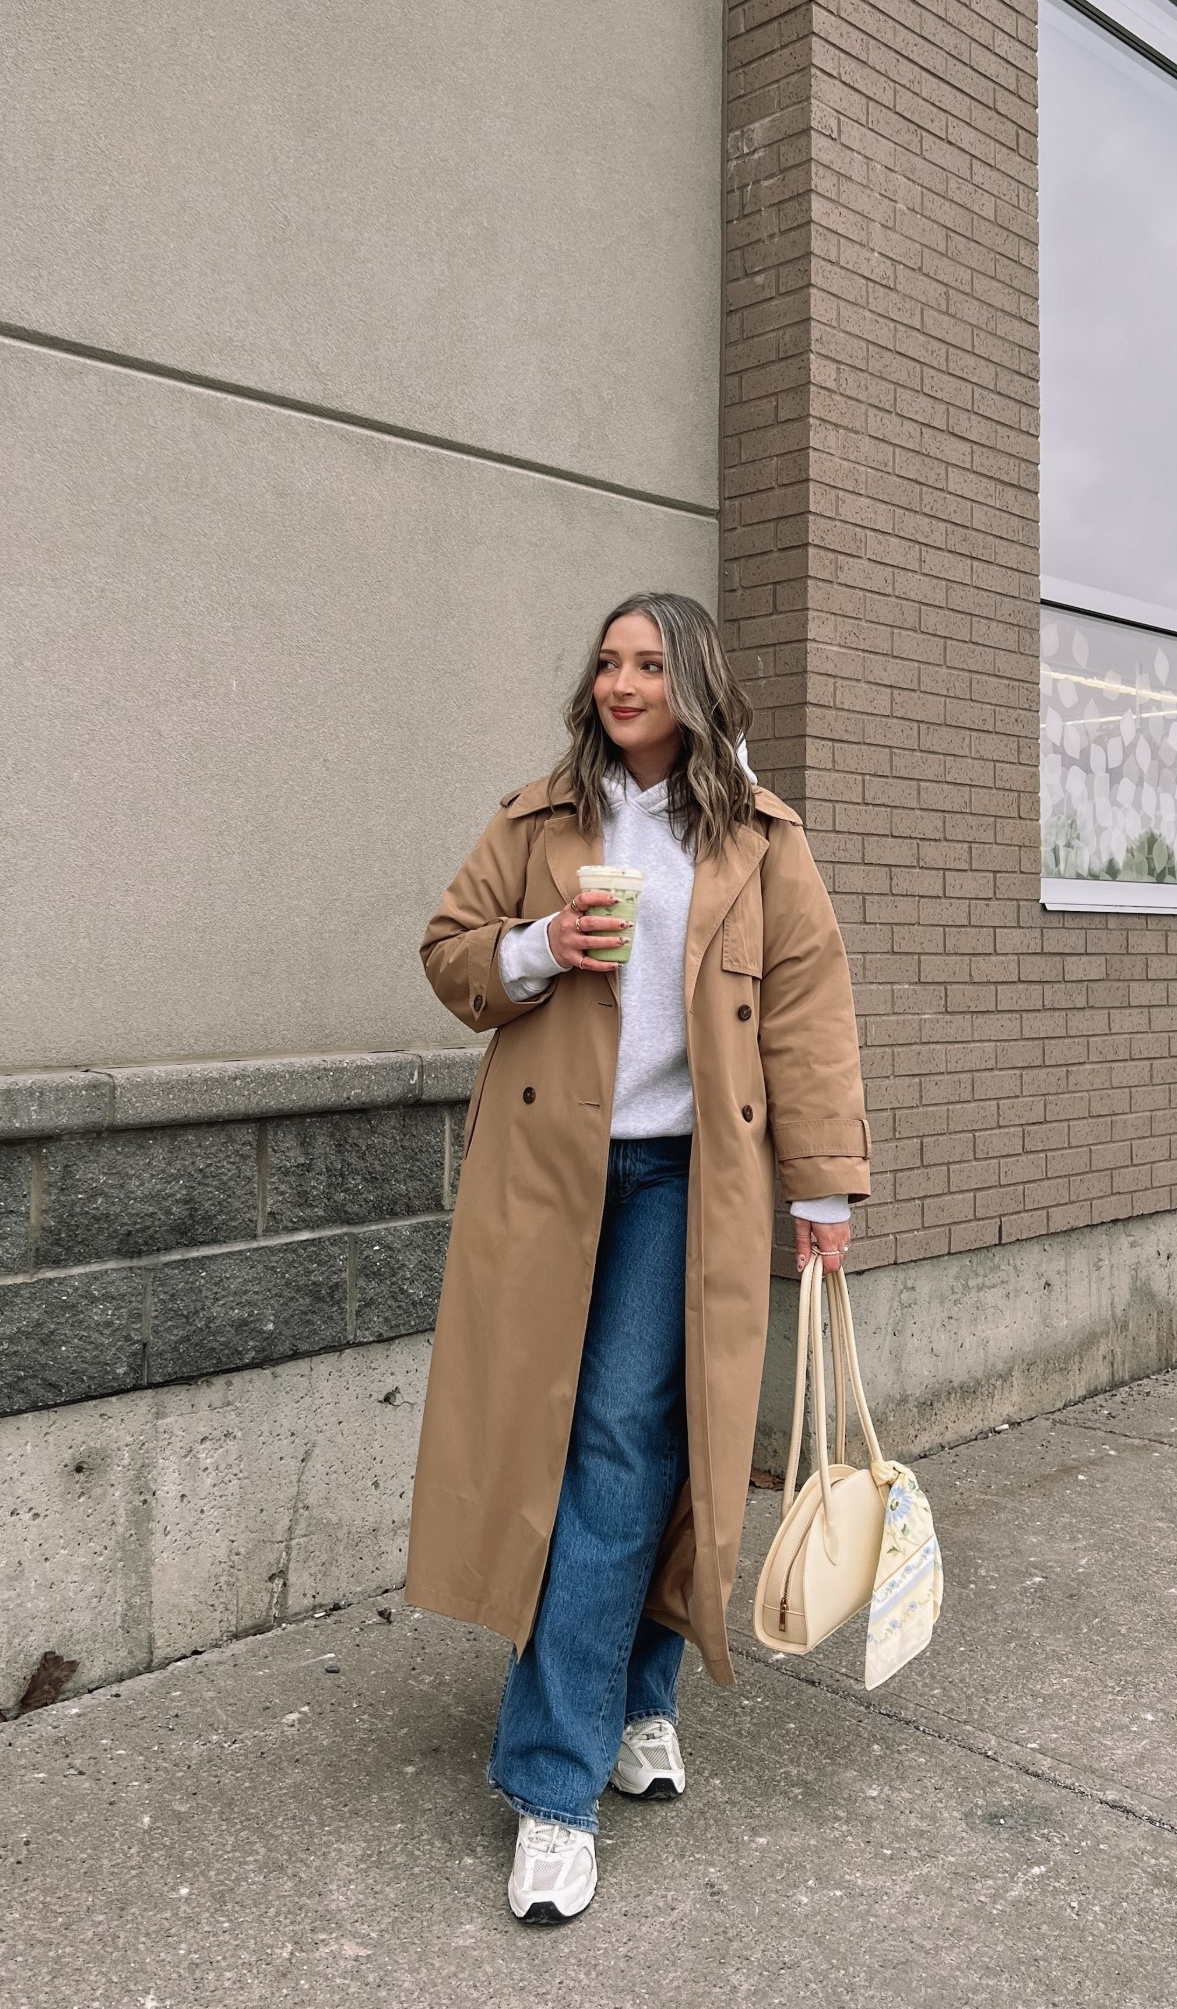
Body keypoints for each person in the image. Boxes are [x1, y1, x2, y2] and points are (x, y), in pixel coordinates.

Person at [406, 590, 871, 1923]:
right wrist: (540, 948)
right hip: (555, 1178)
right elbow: (450, 956)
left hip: (689, 1180)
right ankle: (618, 1713)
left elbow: (808, 1010)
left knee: (635, 1443)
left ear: (697, 681)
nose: (622, 682)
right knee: (607, 1450)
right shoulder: (543, 815)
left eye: (650, 663)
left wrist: (825, 1184)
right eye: (607, 662)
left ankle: (557, 1778)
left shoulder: (760, 838)